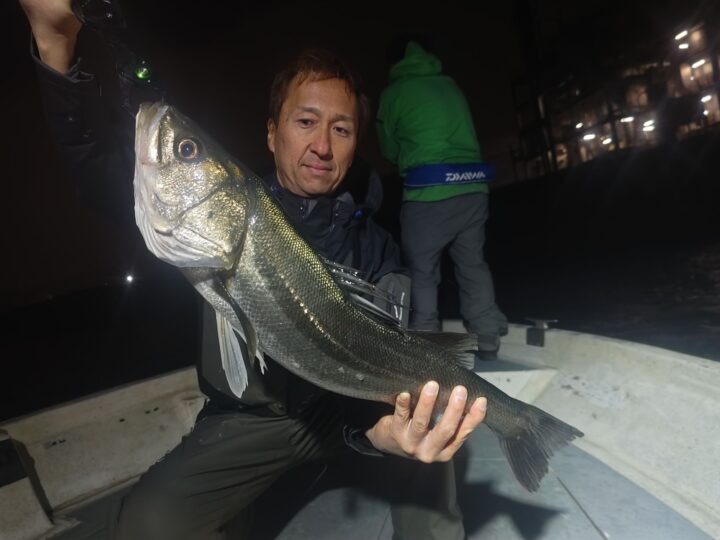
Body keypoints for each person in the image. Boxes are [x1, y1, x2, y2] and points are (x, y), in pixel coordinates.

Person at [19, 2, 487, 539]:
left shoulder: (378, 247)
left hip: (348, 406)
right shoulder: (226, 210)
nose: (321, 146)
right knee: (146, 526)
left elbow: (379, 362)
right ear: (271, 133)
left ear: (356, 143)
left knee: (431, 437)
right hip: (249, 418)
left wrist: (381, 432)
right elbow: (96, 170)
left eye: (341, 129)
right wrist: (56, 47)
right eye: (305, 122)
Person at [376, 36, 508, 365]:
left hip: (429, 194)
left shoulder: (393, 94)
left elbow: (388, 149)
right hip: (474, 189)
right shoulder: (450, 85)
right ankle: (488, 338)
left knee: (422, 273)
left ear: (393, 64)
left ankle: (428, 349)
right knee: (473, 264)